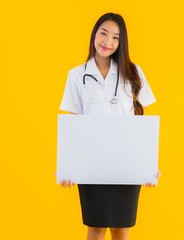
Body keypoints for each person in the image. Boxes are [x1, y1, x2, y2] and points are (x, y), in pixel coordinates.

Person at [59, 12, 160, 240]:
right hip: (91, 163)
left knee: (121, 229)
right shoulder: (77, 75)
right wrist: (69, 167)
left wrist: (147, 165)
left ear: (121, 42)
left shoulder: (133, 72)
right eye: (103, 33)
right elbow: (75, 124)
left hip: (126, 162)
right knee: (95, 228)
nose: (108, 42)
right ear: (94, 34)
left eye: (115, 37)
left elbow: (141, 123)